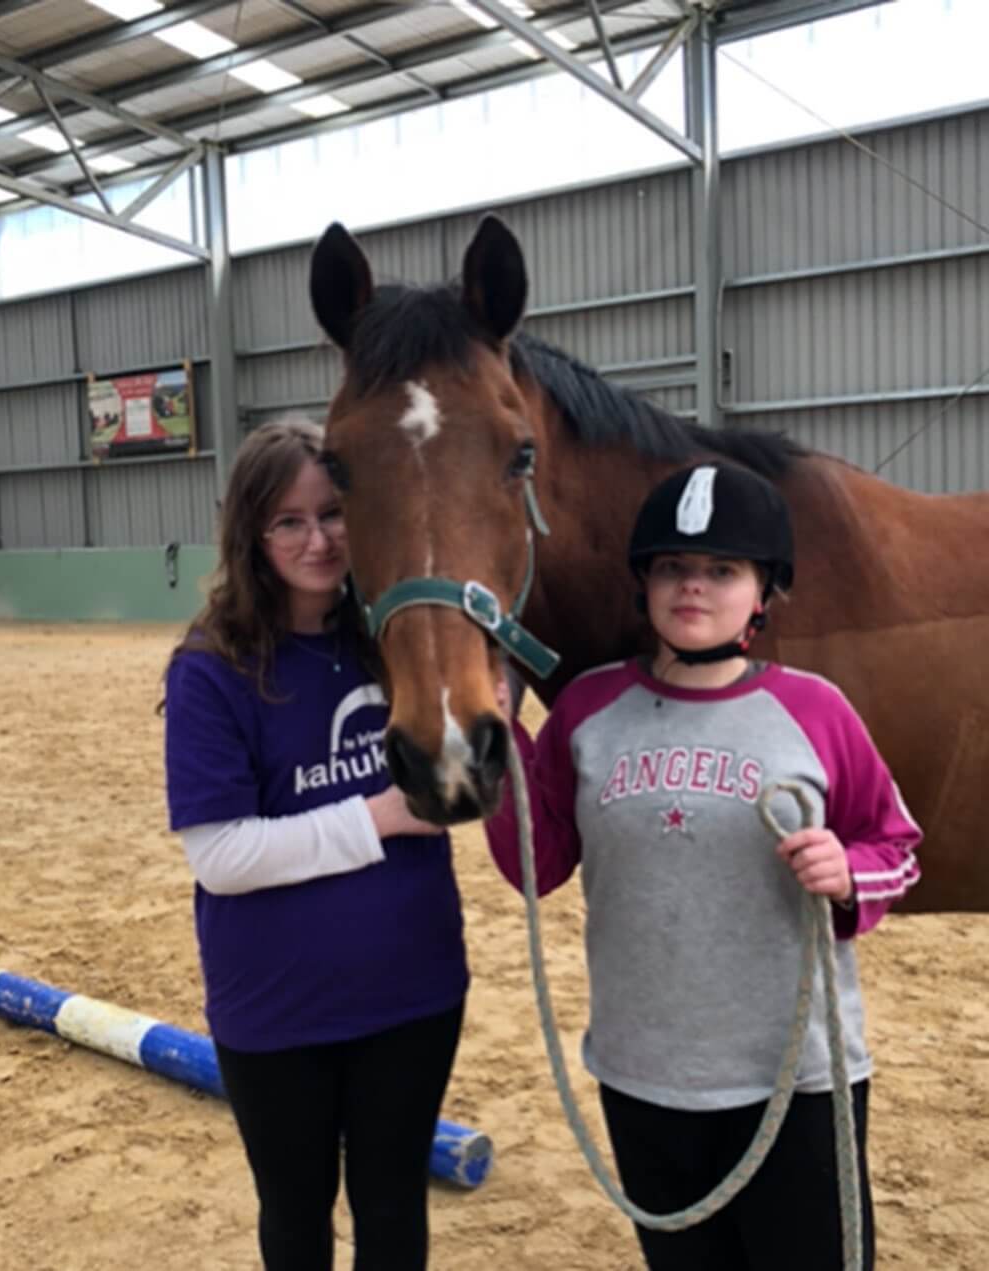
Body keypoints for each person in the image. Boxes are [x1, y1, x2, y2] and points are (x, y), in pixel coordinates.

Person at [485, 461, 921, 1271]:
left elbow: (895, 844)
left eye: (722, 570)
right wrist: (499, 736)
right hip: (643, 1073)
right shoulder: (586, 709)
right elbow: (536, 865)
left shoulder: (815, 710)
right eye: (673, 567)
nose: (693, 585)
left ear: (762, 593)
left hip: (794, 1080)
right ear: (644, 584)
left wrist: (848, 871)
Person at [163, 416, 468, 1271]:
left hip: (413, 991)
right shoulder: (210, 669)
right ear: (252, 535)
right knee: (297, 1215)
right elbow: (222, 856)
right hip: (278, 1007)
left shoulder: (399, 640)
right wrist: (380, 816)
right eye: (289, 521)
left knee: (393, 1205)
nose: (319, 539)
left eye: (333, 513)